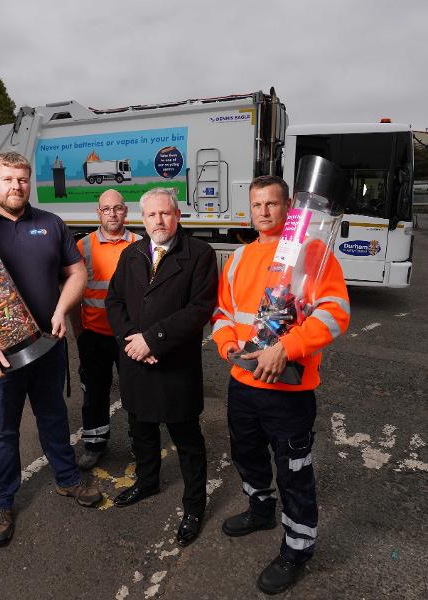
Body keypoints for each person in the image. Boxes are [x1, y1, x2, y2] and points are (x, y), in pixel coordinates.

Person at [0, 152, 102, 546]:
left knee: (53, 418)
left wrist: (63, 309)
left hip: (46, 347)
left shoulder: (50, 224)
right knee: (1, 430)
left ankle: (67, 479)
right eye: (8, 179)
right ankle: (2, 502)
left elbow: (77, 272)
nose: (17, 186)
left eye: (23, 179)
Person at [212, 175, 350, 595]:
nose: (264, 212)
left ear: (289, 206)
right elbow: (222, 312)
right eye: (257, 205)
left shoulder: (311, 252)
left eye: (272, 204)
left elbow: (334, 312)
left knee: (294, 472)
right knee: (246, 453)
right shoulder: (237, 258)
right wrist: (227, 344)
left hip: (289, 390)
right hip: (243, 382)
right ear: (250, 209)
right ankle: (260, 508)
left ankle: (297, 549)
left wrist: (286, 349)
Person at [106, 187, 218, 546]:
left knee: (187, 439)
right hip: (136, 361)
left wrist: (152, 340)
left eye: (165, 214)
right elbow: (115, 301)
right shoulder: (132, 253)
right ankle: (148, 481)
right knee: (141, 428)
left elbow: (199, 310)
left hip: (175, 364)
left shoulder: (199, 254)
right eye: (152, 215)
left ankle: (194, 506)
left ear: (178, 215)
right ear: (142, 219)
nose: (159, 221)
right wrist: (132, 341)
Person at [71, 189, 141, 470]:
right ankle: (94, 444)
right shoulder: (83, 246)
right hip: (94, 335)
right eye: (106, 209)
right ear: (98, 212)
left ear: (126, 211)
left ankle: (140, 443)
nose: (112, 214)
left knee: (136, 392)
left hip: (129, 337)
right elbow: (74, 293)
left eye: (118, 208)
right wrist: (79, 333)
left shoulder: (140, 244)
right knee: (94, 393)